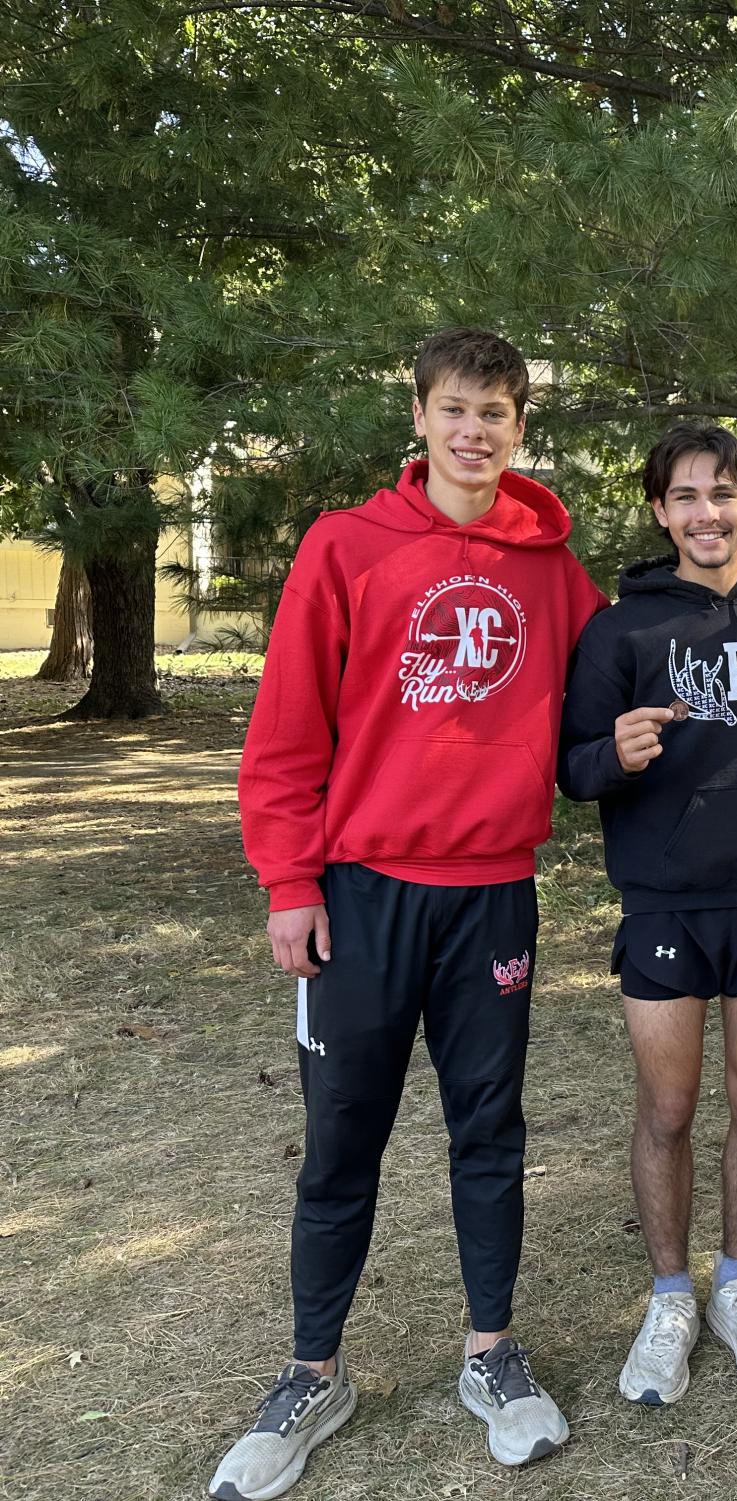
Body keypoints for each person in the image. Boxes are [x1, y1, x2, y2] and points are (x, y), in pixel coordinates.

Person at [216, 328, 604, 1500]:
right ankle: (312, 1371)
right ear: (421, 416)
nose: (474, 430)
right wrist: (291, 882)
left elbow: (630, 671)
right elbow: (286, 731)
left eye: (495, 411)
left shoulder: (550, 567)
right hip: (363, 900)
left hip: (492, 898)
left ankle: (490, 1353)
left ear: (520, 428)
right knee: (344, 1141)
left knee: (489, 1133)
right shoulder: (347, 548)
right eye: (454, 409)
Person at [558, 423, 737, 1405]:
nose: (705, 513)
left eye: (723, 493)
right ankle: (670, 1295)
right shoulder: (619, 630)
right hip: (667, 901)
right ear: (660, 510)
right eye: (685, 495)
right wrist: (611, 752)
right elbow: (569, 764)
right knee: (668, 1108)